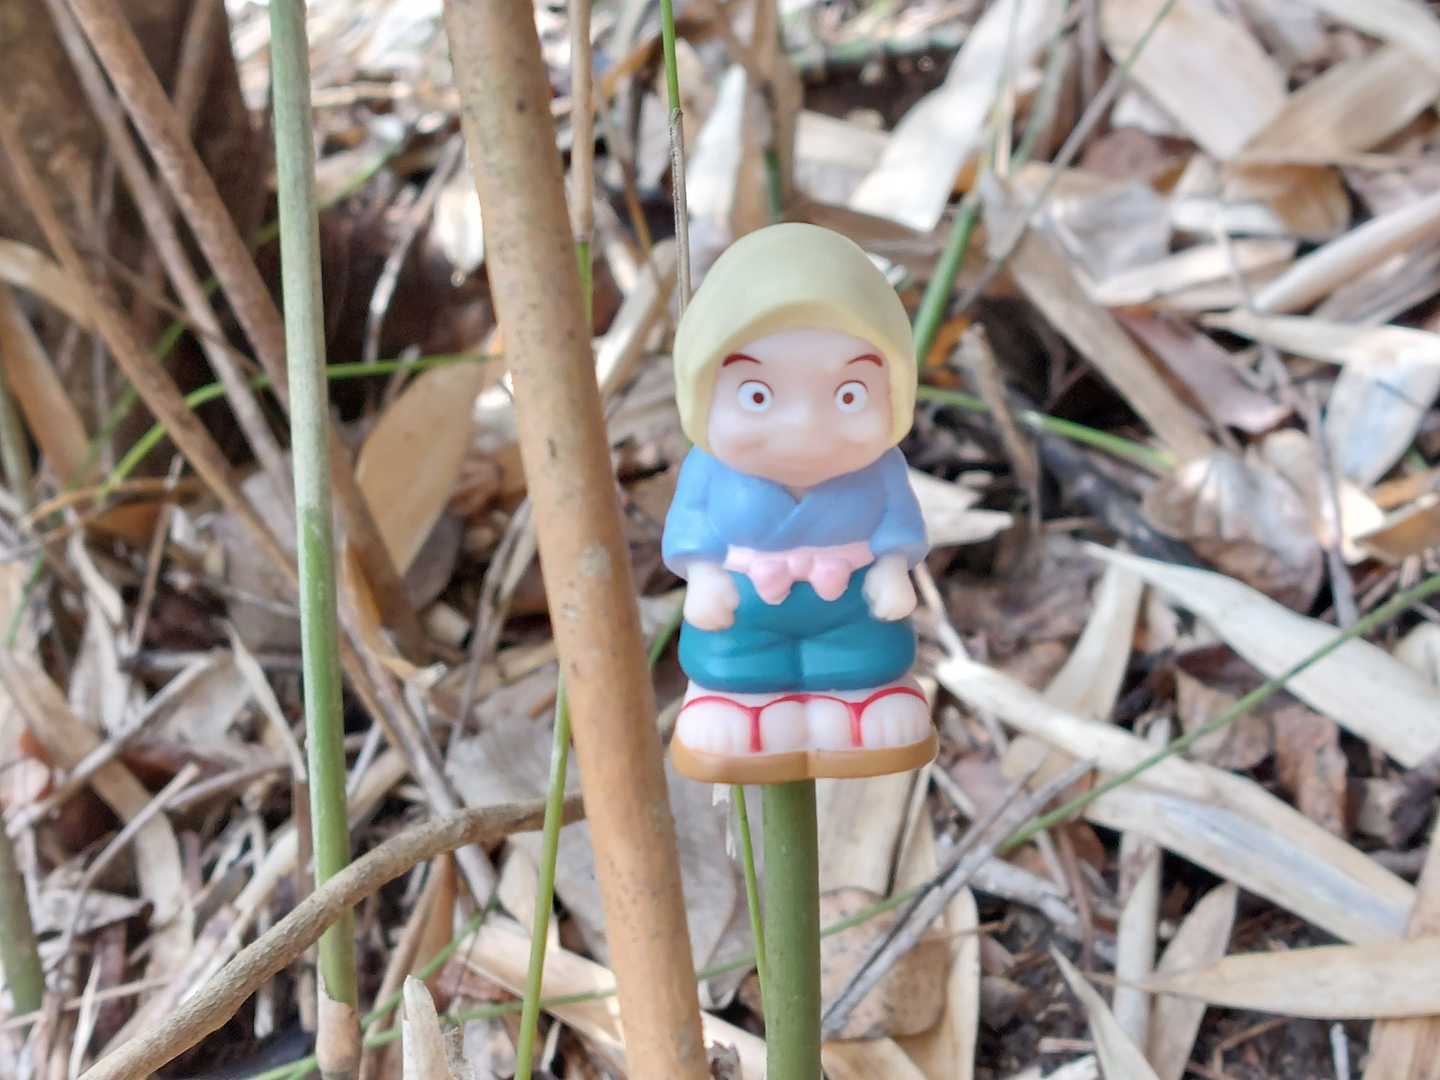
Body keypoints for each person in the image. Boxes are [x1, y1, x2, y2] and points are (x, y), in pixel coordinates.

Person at [663, 222, 936, 784]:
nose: (805, 426)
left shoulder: (880, 468)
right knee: (737, 661)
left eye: (849, 395)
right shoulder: (709, 468)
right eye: (757, 395)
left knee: (867, 654)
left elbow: (897, 524)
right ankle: (737, 703)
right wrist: (704, 579)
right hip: (747, 611)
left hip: (848, 607)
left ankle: (858, 700)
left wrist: (891, 570)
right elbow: (691, 529)